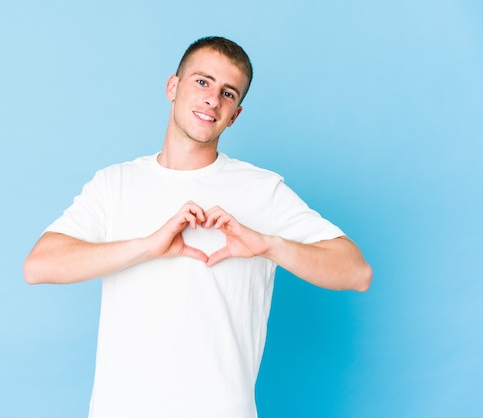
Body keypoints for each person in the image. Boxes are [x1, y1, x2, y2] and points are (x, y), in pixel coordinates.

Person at [23, 36, 372, 418]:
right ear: (173, 87)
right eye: (202, 82)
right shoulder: (114, 183)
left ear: (235, 113)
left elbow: (356, 273)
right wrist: (147, 246)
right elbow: (39, 266)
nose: (212, 99)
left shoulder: (262, 190)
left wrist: (268, 245)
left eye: (228, 92)